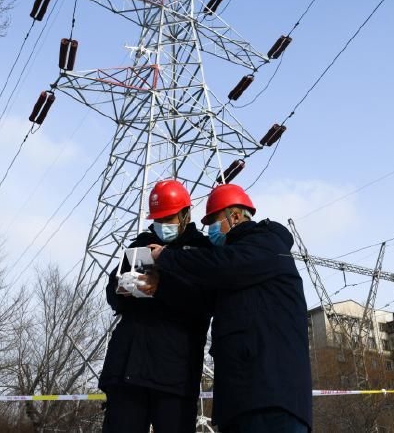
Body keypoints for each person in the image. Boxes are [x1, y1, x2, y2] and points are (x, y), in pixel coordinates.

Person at [143, 183, 312, 433]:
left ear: (235, 216)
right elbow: (205, 293)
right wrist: (161, 287)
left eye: (214, 221)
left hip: (272, 397)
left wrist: (167, 257)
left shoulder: (266, 243)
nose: (210, 229)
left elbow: (221, 265)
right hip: (240, 399)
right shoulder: (236, 267)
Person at [98, 179, 212, 433]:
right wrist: (122, 289)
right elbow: (112, 291)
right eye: (158, 219)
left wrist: (161, 287)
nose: (162, 225)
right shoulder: (140, 244)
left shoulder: (202, 249)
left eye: (169, 218)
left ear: (185, 214)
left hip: (174, 375)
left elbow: (205, 302)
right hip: (127, 368)